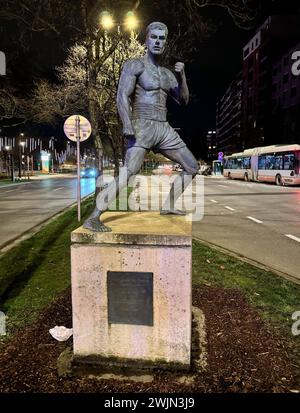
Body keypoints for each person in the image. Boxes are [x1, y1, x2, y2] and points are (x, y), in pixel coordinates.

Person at [83, 21, 199, 232]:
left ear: (165, 43)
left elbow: (183, 100)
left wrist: (182, 77)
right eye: (153, 37)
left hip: (163, 127)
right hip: (141, 124)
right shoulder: (135, 64)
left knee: (192, 167)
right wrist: (127, 124)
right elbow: (122, 96)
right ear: (146, 40)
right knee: (129, 173)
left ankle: (169, 205)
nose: (157, 41)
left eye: (161, 38)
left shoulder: (167, 74)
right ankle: (93, 217)